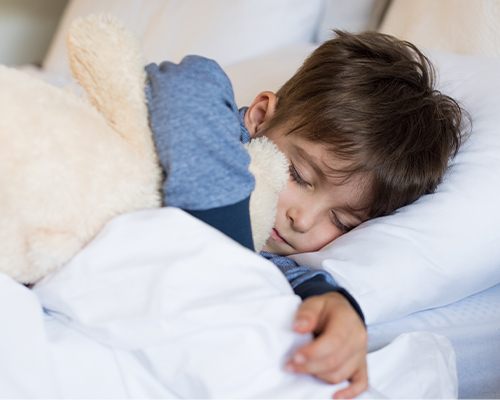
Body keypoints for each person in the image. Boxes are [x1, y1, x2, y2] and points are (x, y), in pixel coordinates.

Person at [145, 30, 464, 399]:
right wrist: (226, 248)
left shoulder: (268, 251)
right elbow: (190, 84)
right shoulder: (217, 128)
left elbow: (276, 276)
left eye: (342, 221)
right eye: (299, 175)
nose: (303, 219)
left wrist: (333, 303)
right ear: (260, 116)